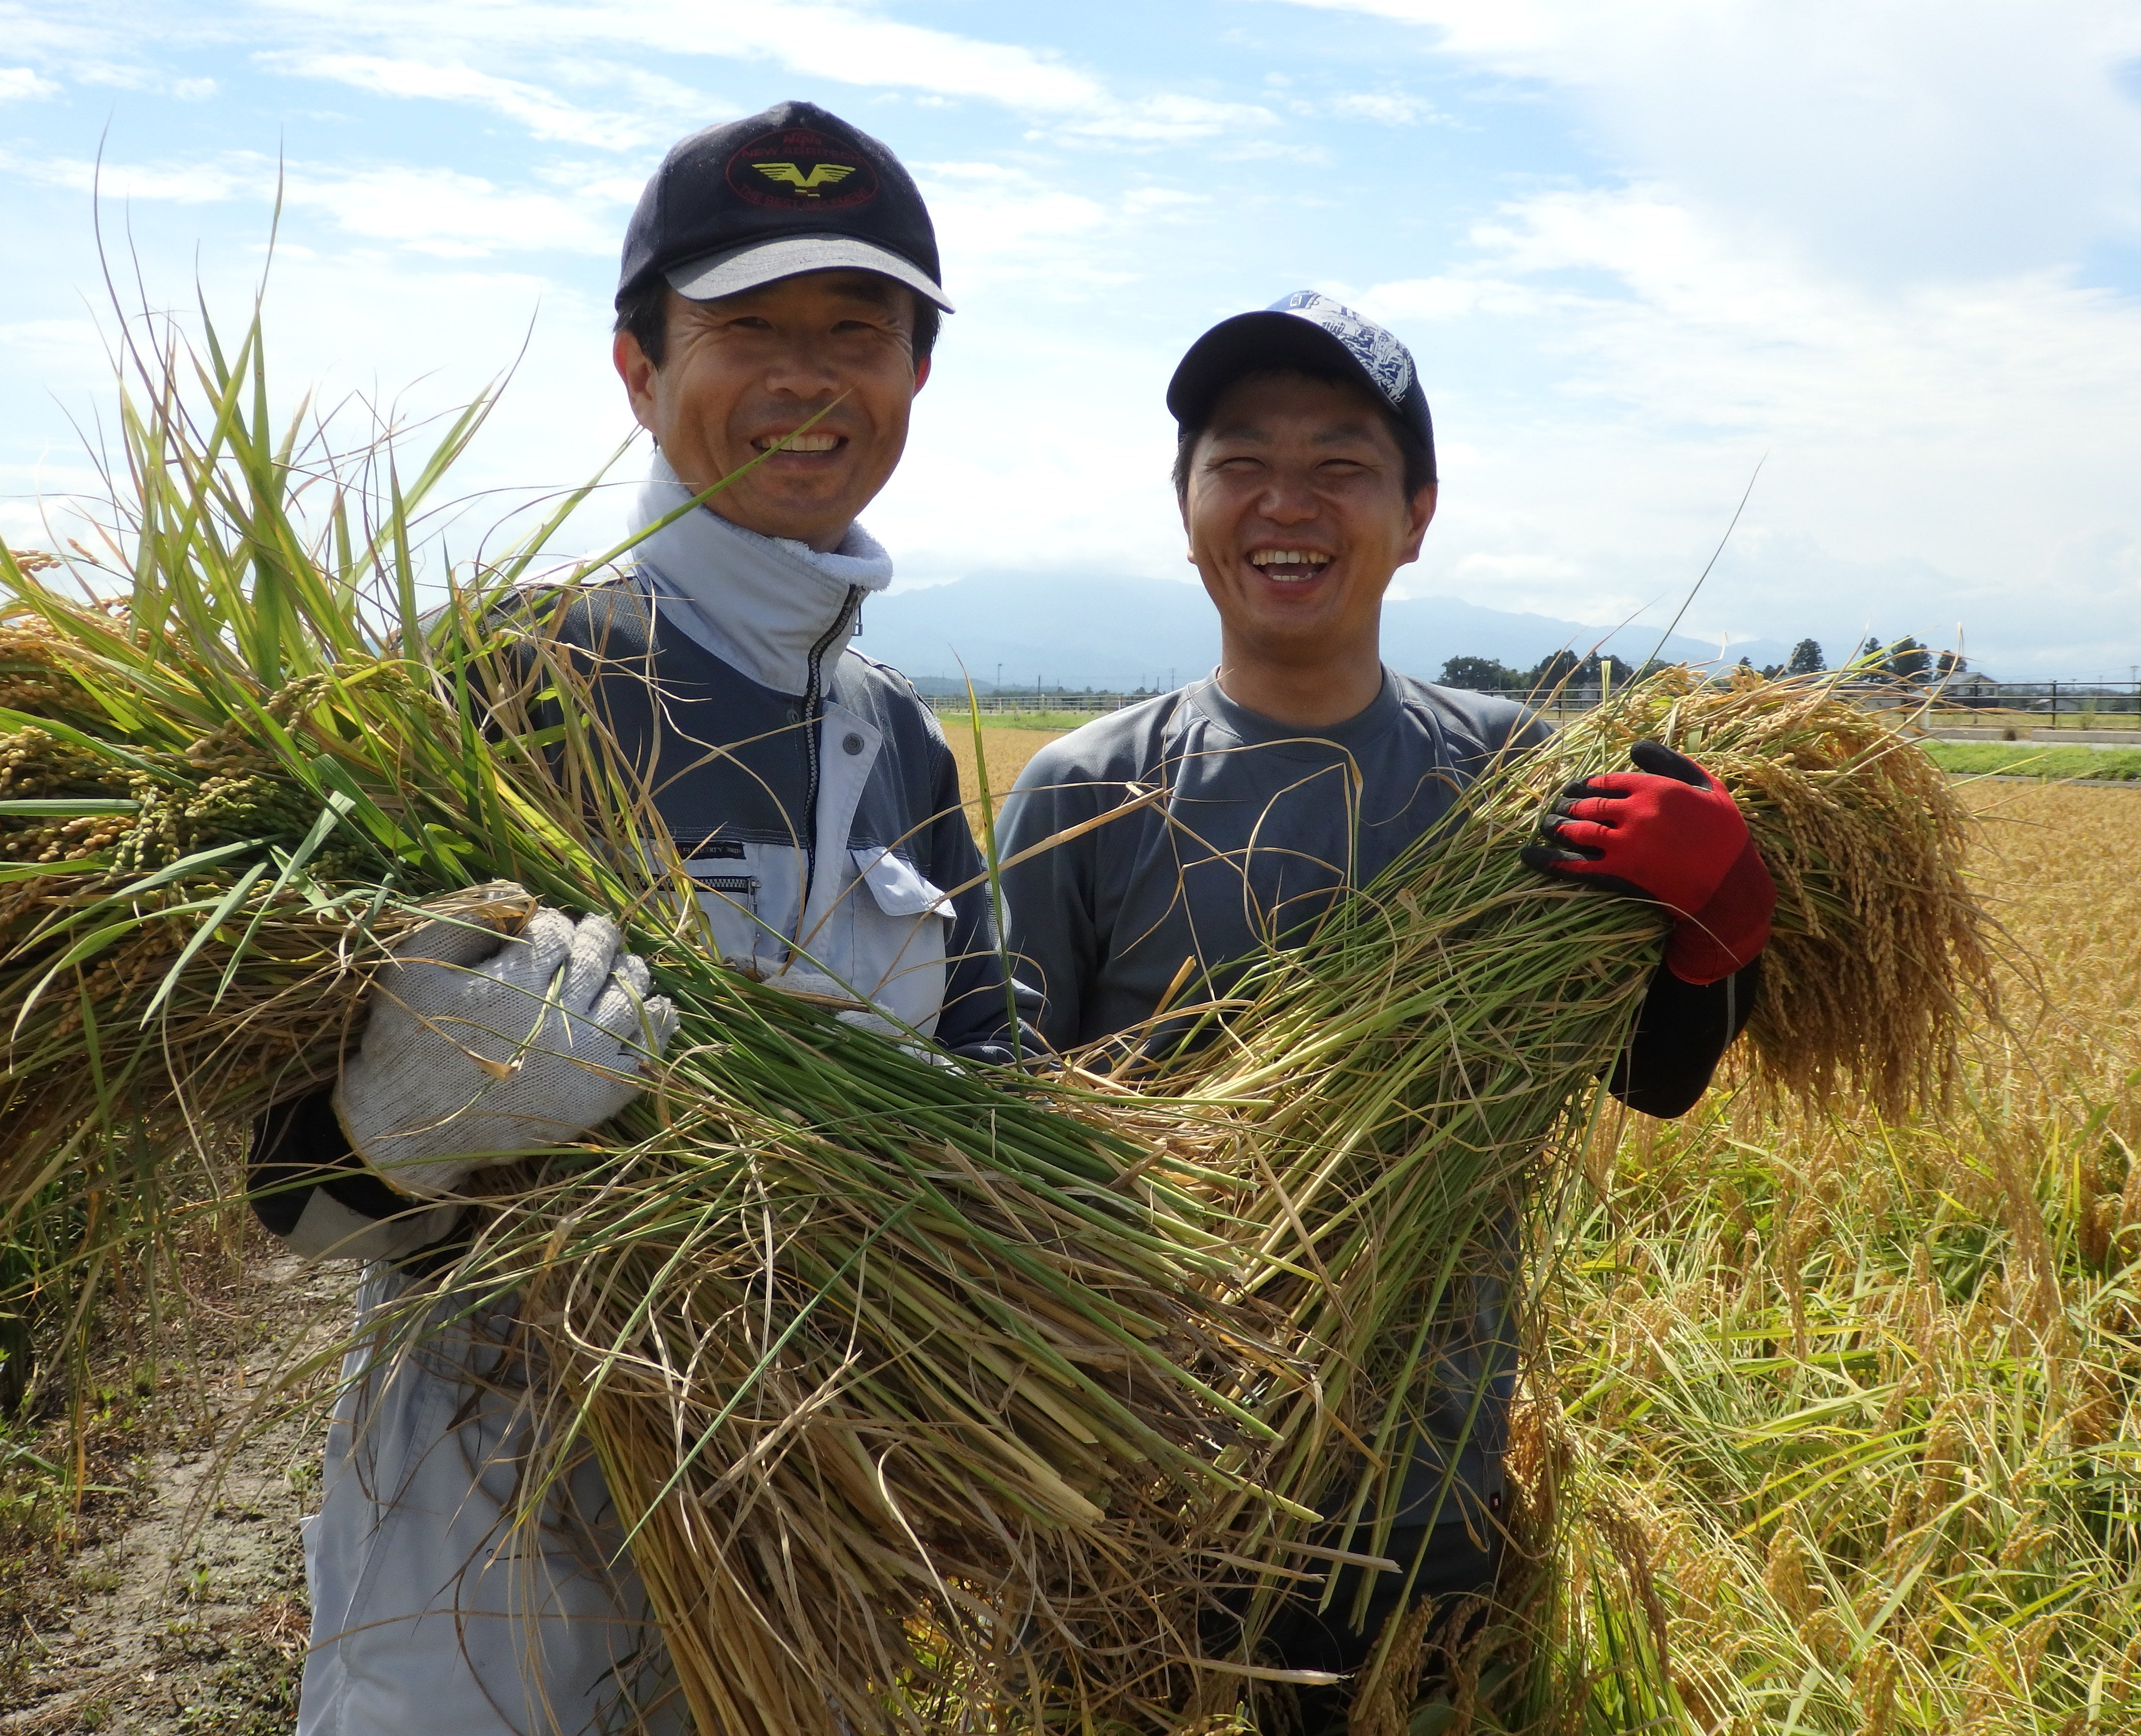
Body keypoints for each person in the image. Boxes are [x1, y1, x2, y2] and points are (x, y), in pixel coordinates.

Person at [247, 100, 1025, 1736]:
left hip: (803, 1554)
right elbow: (272, 1193)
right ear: (637, 369)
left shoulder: (901, 745)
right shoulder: (489, 693)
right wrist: (394, 1119)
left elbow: (994, 1102)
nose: (809, 376)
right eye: (748, 327)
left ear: (915, 377)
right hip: (482, 1562)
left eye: (858, 331)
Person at [992, 291, 1775, 1730]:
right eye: (1240, 461)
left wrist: (1719, 929)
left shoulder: (1525, 785)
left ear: (1415, 516)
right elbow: (1000, 1136)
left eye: (1341, 465)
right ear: (1185, 510)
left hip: (1418, 1485)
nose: (1286, 504)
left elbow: (1658, 1080)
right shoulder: (1083, 792)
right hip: (1131, 1473)